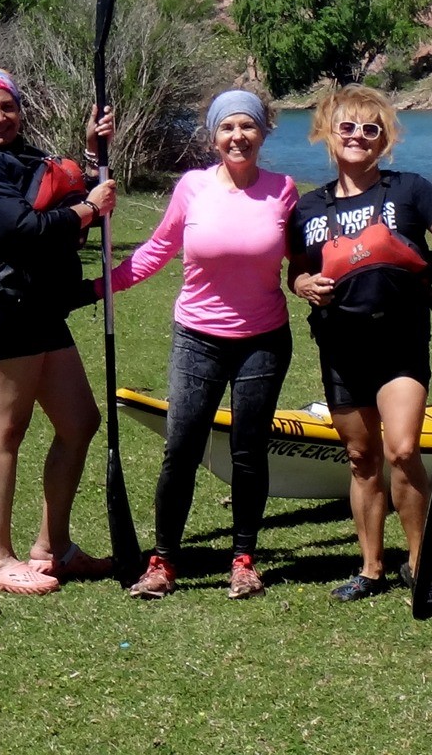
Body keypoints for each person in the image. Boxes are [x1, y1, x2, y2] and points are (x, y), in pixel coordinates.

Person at [286, 84, 432, 608]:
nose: (358, 137)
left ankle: (418, 566)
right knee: (360, 457)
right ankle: (371, 567)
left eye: (371, 129)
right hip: (342, 347)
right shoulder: (309, 207)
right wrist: (304, 286)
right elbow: (297, 273)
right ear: (328, 133)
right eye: (347, 127)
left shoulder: (411, 189)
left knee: (402, 450)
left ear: (384, 140)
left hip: (400, 344)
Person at [0, 65, 117, 595]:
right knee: (5, 434)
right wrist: (85, 212)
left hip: (40, 310)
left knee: (79, 422)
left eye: (6, 106)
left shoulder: (17, 156)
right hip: (4, 310)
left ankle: (53, 547)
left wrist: (93, 153)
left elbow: (59, 193)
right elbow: (23, 227)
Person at [107, 89, 298, 600]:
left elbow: (305, 259)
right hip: (197, 338)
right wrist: (103, 284)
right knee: (182, 447)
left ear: (263, 132)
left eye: (248, 127)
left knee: (248, 451)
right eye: (227, 128)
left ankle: (244, 559)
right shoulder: (191, 187)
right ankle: (164, 562)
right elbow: (156, 249)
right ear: (213, 136)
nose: (238, 137)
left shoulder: (284, 190)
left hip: (264, 340)